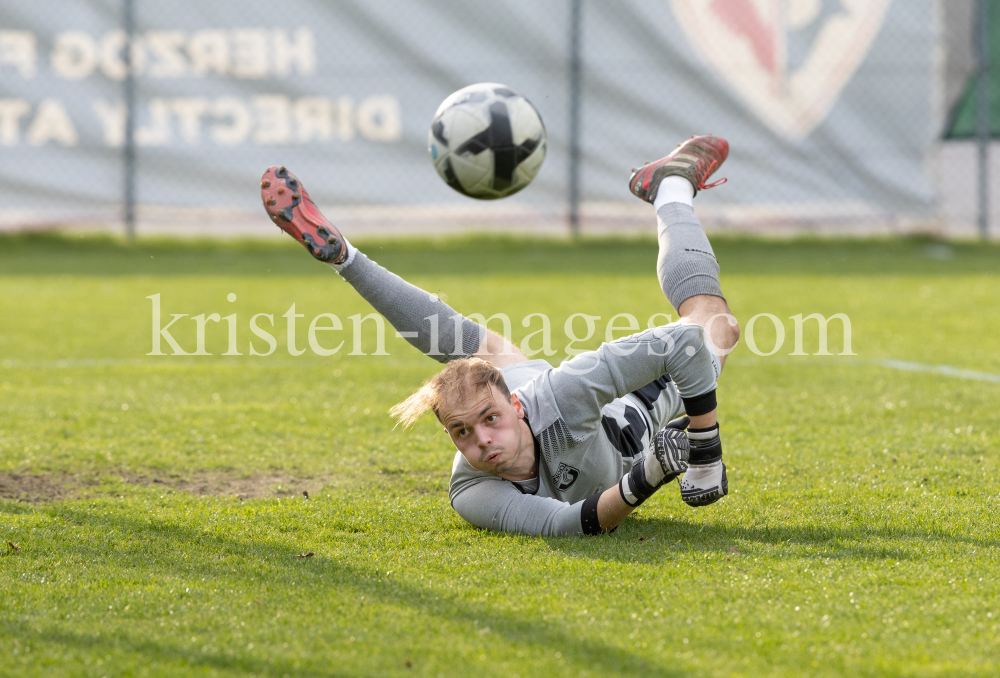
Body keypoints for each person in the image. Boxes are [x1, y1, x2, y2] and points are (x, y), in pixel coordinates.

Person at [260, 134, 741, 536]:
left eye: (488, 419)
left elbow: (685, 344)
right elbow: (567, 524)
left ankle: (671, 185)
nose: (482, 442)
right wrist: (647, 476)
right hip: (572, 421)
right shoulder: (470, 490)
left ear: (514, 406)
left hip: (613, 411)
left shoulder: (562, 394)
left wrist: (705, 450)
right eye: (462, 433)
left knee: (714, 328)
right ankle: (344, 257)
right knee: (484, 357)